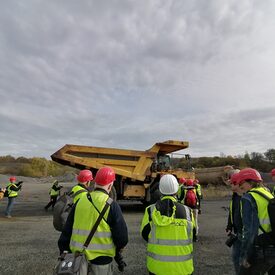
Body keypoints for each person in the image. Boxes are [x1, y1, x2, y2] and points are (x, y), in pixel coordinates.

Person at [58, 167, 128, 275]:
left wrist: (64, 252)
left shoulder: (80, 202)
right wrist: (118, 251)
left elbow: (66, 231)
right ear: (110, 185)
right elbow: (122, 239)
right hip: (102, 263)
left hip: (78, 261)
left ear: (94, 182)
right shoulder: (112, 205)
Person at [141, 174, 195, 275]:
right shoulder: (187, 211)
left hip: (157, 268)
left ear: (160, 190)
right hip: (183, 268)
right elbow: (193, 235)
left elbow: (144, 234)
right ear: (176, 190)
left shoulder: (150, 211)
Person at [237, 168, 275, 274]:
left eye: (241, 183)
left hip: (261, 249)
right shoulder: (267, 193)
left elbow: (249, 231)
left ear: (248, 181)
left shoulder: (248, 198)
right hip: (272, 243)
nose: (240, 186)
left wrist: (244, 255)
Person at [225, 172, 243, 274]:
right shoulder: (235, 195)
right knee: (236, 258)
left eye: (231, 183)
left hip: (243, 234)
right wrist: (229, 225)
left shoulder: (245, 196)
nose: (230, 185)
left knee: (241, 260)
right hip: (236, 232)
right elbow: (233, 211)